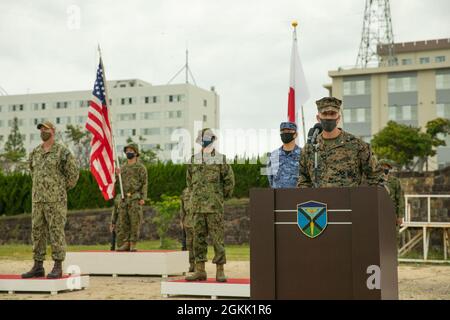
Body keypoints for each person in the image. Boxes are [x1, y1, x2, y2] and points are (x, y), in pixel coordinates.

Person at [22, 121, 79, 279]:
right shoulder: (35, 152)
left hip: (56, 201)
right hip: (38, 200)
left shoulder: (62, 152)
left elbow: (73, 174)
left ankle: (57, 266)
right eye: (40, 129)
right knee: (37, 232)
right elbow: (33, 172)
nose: (42, 131)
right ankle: (38, 266)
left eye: (45, 129)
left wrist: (59, 189)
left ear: (53, 130)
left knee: (56, 232)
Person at [297, 97, 385, 188]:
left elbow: (376, 178)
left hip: (349, 200)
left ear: (338, 118)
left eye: (332, 114)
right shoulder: (310, 148)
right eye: (325, 114)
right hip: (319, 201)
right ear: (318, 118)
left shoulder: (358, 145)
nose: (329, 117)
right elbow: (303, 181)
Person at [185, 128, 235, 282]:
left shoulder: (220, 159)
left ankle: (220, 270)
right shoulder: (193, 160)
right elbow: (189, 183)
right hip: (197, 207)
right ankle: (200, 270)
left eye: (207, 137)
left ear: (213, 139)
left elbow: (229, 181)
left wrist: (219, 198)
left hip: (214, 207)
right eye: (202, 137)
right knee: (197, 238)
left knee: (217, 239)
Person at [114, 143, 148, 252]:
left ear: (136, 152)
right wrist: (116, 174)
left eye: (131, 150)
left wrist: (143, 197)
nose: (129, 152)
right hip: (124, 198)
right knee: (124, 221)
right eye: (127, 150)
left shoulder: (140, 167)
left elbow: (144, 183)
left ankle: (133, 243)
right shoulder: (123, 167)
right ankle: (126, 243)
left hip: (135, 197)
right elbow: (117, 183)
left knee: (135, 221)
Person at [267, 122, 301, 189]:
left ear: (295, 134)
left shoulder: (303, 154)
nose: (285, 133)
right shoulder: (273, 155)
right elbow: (270, 179)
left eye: (288, 131)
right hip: (278, 196)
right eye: (282, 131)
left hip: (298, 196)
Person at [379, 159, 405, 226]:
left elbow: (400, 199)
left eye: (386, 166)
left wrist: (400, 216)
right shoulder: (376, 181)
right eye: (382, 166)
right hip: (379, 212)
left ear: (389, 168)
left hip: (393, 212)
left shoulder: (395, 181)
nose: (384, 168)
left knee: (394, 234)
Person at [180, 187, 195, 272]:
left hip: (198, 221)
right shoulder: (185, 191)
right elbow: (182, 208)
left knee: (198, 244)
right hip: (188, 221)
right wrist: (181, 220)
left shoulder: (200, 189)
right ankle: (191, 265)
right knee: (188, 244)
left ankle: (199, 266)